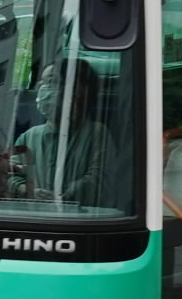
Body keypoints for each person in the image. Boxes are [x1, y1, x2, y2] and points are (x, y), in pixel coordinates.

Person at [14, 59, 123, 208]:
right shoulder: (28, 137)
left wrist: (62, 197)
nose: (42, 89)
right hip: (36, 217)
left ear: (77, 90)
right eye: (41, 83)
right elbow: (9, 173)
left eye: (50, 82)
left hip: (76, 218)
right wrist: (26, 189)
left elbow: (100, 179)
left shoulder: (97, 134)